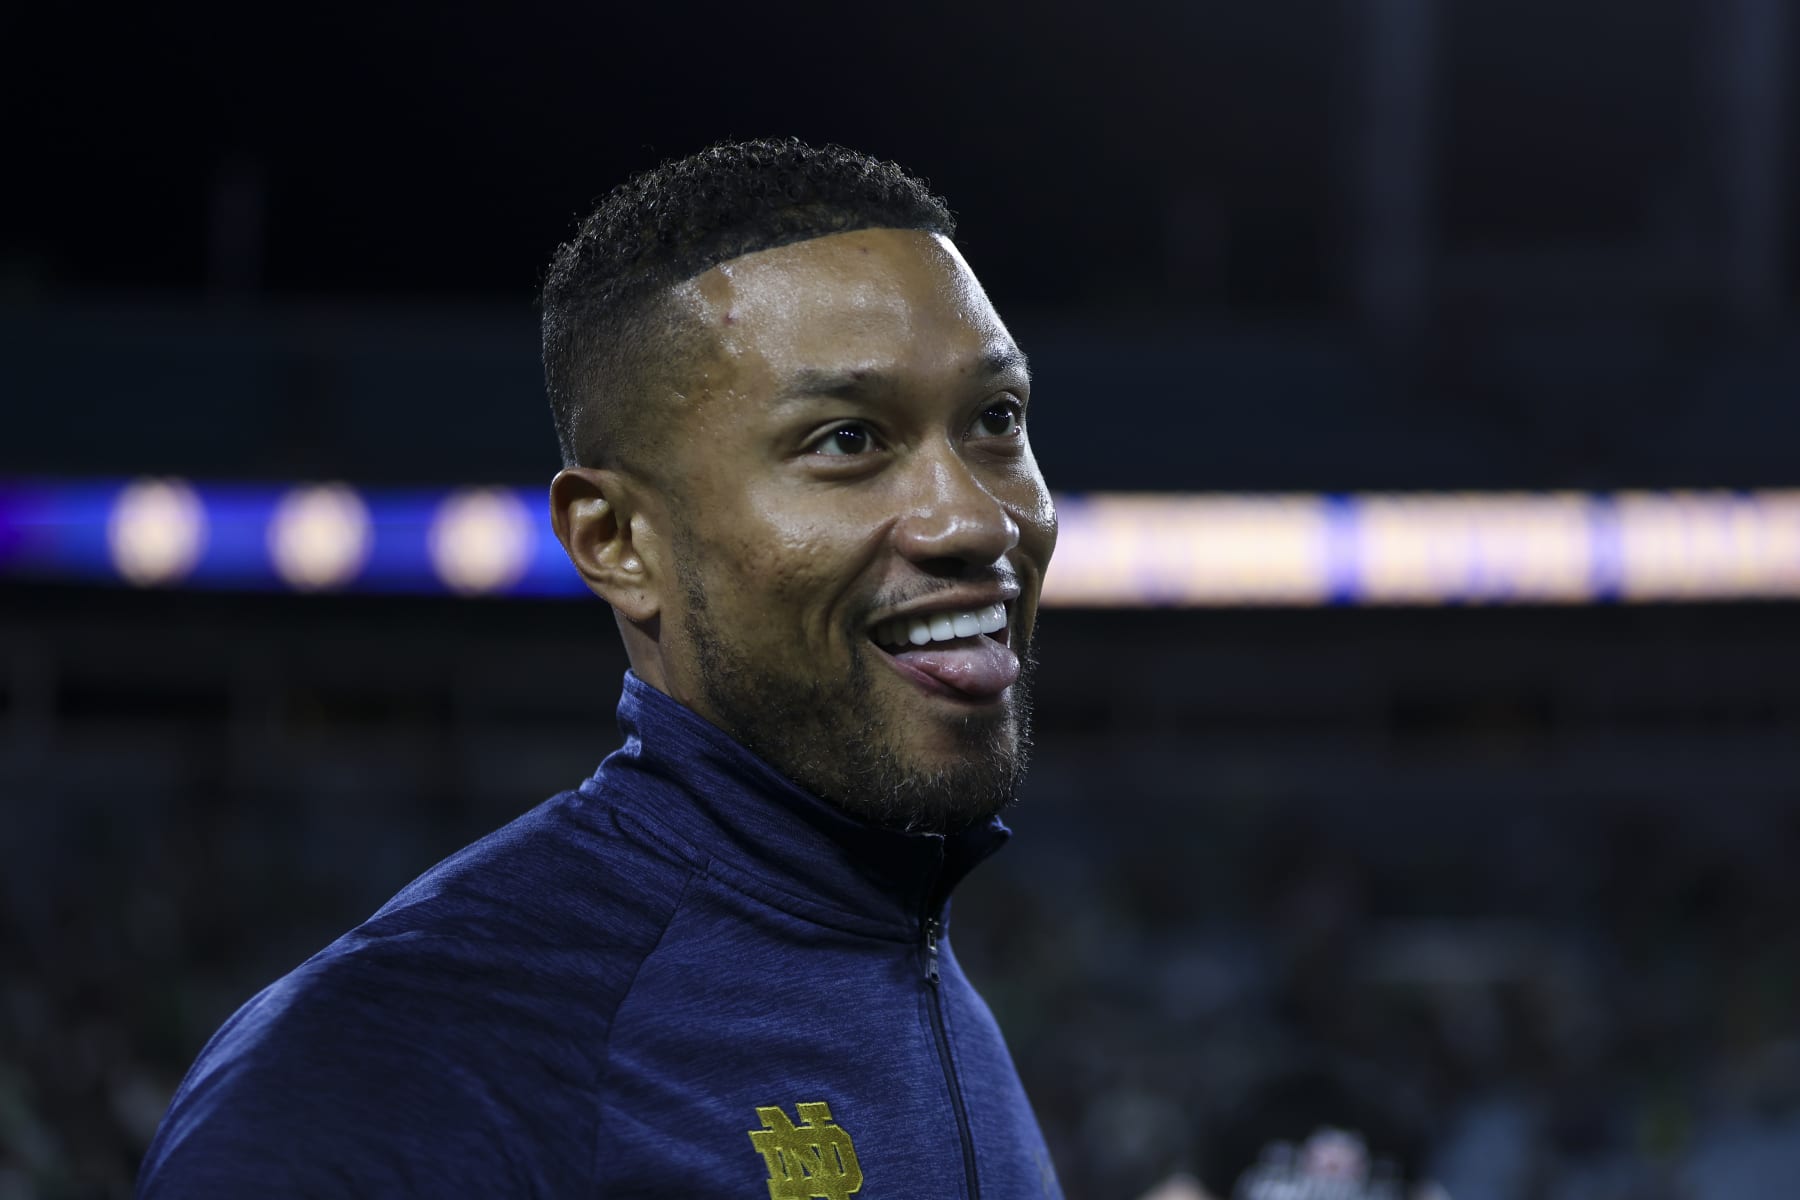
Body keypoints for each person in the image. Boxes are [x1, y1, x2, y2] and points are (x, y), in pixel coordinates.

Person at [138, 138, 1063, 1197]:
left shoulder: (918, 969)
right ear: (618, 541)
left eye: (997, 420)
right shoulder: (375, 1078)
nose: (977, 519)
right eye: (848, 440)